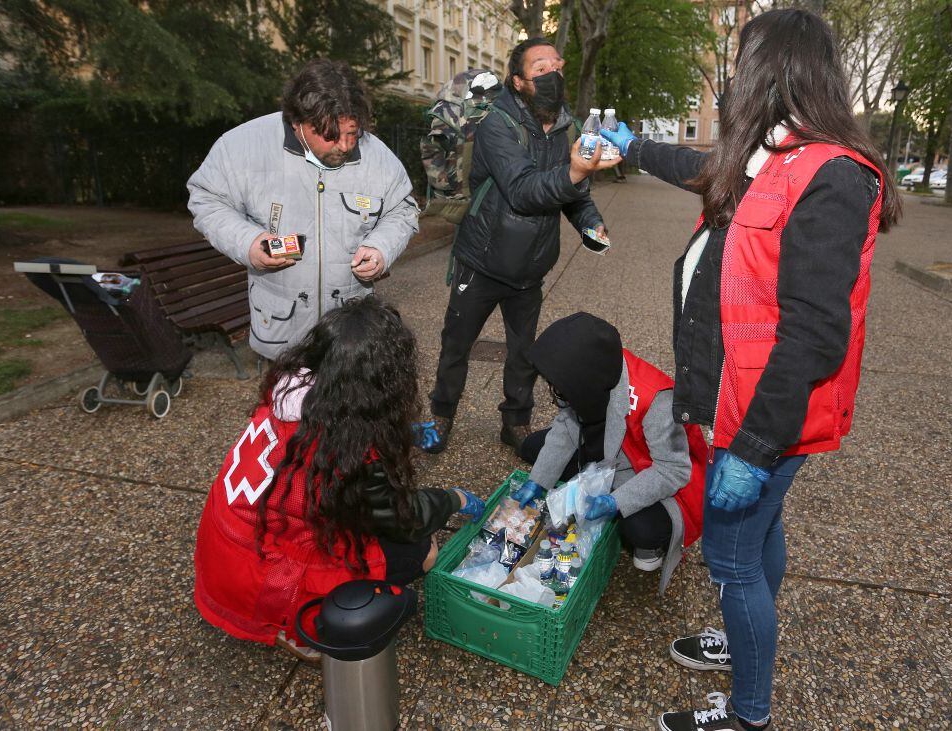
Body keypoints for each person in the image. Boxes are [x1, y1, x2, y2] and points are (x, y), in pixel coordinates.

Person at [600, 9, 900, 731]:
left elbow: (816, 333)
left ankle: (749, 712)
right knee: (760, 536)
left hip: (762, 418)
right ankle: (740, 644)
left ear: (774, 68)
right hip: (737, 403)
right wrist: (634, 146)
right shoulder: (778, 153)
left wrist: (757, 447)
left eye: (744, 62)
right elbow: (705, 170)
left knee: (731, 560)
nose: (735, 78)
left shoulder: (829, 175)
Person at [193, 297, 485, 663]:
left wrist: (403, 433)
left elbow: (340, 427)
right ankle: (299, 631)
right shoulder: (346, 455)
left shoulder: (287, 393)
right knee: (419, 547)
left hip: (224, 554)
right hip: (265, 579)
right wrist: (453, 499)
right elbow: (399, 517)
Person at [416, 38, 621, 456]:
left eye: (556, 65)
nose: (552, 75)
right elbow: (524, 189)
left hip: (531, 267)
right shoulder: (496, 124)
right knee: (457, 344)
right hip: (483, 260)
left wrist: (591, 224)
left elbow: (574, 194)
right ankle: (442, 413)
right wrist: (576, 171)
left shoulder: (567, 127)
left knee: (524, 352)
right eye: (540, 68)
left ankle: (516, 421)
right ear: (518, 81)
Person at [187, 58, 419, 360]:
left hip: (349, 333)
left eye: (353, 132)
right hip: (282, 333)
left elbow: (402, 210)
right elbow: (207, 199)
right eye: (332, 136)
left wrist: (381, 248)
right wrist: (248, 242)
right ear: (299, 122)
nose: (346, 145)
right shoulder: (242, 147)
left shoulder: (377, 157)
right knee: (285, 405)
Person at [510, 312, 707, 595]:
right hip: (609, 446)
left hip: (646, 470)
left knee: (640, 527)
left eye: (561, 390)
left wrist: (615, 501)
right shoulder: (593, 368)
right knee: (533, 448)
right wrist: (538, 481)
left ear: (584, 384)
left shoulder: (657, 399)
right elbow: (566, 426)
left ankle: (652, 545)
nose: (555, 396)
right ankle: (587, 481)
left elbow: (673, 470)